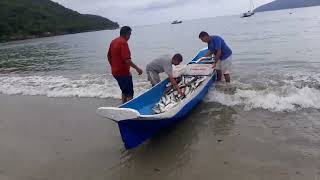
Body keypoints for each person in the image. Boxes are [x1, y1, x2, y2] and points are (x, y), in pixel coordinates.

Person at [107, 26, 143, 104]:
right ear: (127, 34)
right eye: (130, 34)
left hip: (115, 72)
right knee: (130, 93)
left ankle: (123, 106)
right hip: (123, 73)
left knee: (124, 90)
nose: (130, 36)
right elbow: (127, 60)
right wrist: (137, 68)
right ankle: (129, 109)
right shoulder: (123, 43)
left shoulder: (113, 41)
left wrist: (113, 66)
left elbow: (108, 56)